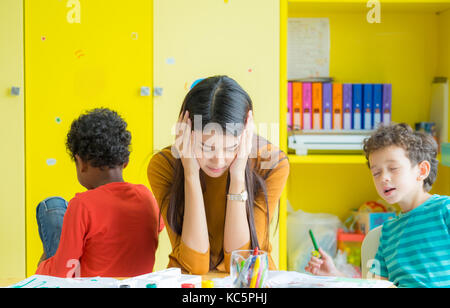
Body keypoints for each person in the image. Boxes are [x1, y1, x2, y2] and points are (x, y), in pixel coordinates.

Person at [147, 75, 289, 275]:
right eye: (205, 147)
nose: (218, 160)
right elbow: (194, 264)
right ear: (185, 132)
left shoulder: (271, 164)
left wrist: (238, 173)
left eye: (231, 148)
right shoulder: (164, 166)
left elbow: (240, 264)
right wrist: (191, 174)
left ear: (246, 135)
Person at [305, 123, 450, 287]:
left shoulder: (444, 210)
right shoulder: (388, 232)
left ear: (421, 171)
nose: (383, 178)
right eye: (376, 173)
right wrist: (334, 274)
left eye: (393, 168)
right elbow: (374, 285)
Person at [36, 108, 163, 278]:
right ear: (125, 161)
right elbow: (156, 228)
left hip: (87, 284)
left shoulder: (82, 204)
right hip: (135, 284)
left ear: (81, 163)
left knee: (51, 205)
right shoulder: (147, 197)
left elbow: (62, 271)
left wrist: (41, 268)